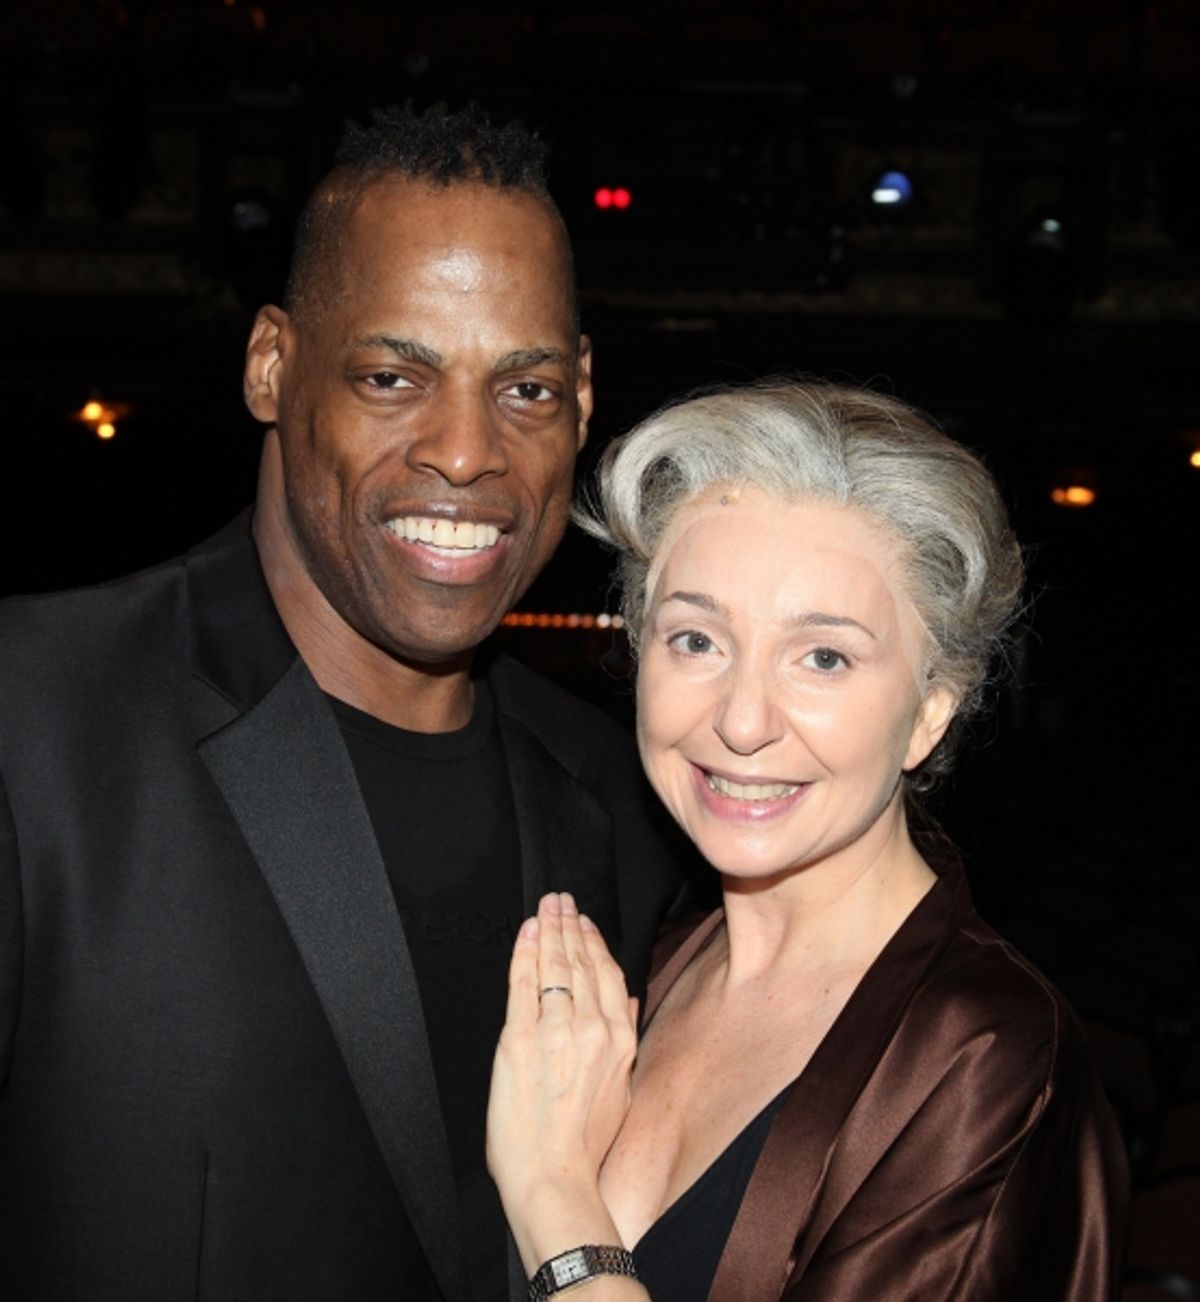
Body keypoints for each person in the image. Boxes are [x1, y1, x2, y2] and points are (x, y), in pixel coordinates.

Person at [0, 104, 688, 1302]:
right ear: (273, 364)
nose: (467, 451)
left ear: (580, 397)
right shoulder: (34, 718)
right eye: (390, 376)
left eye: (524, 389)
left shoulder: (632, 795)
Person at [488, 381, 1129, 1301]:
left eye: (823, 657)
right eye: (696, 640)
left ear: (930, 711)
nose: (742, 721)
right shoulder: (648, 960)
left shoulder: (985, 1065)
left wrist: (554, 1200)